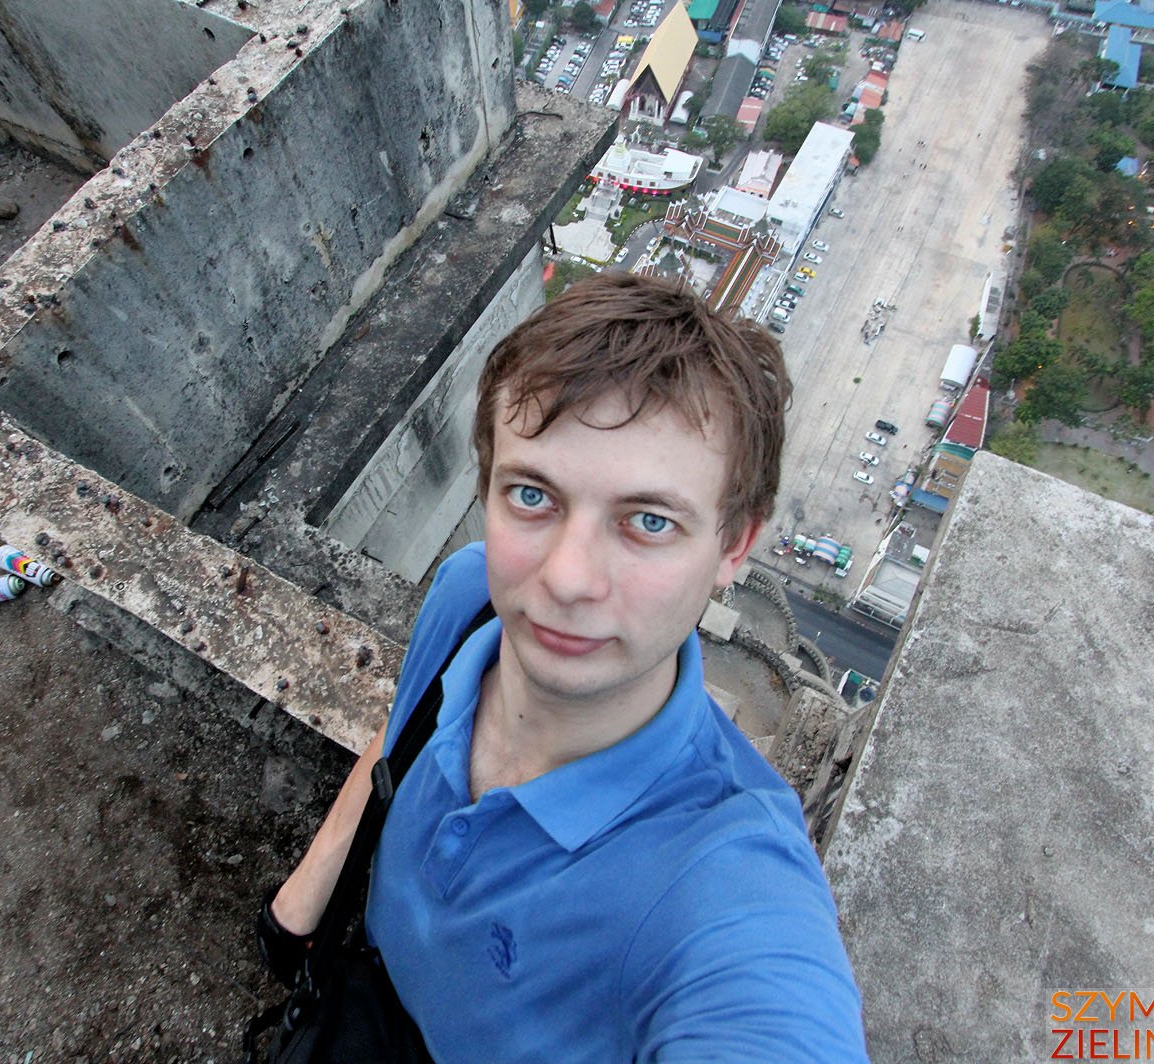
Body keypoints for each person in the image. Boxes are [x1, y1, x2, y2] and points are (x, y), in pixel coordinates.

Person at [265, 272, 867, 1062]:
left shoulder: (723, 880)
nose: (565, 579)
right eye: (532, 496)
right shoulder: (468, 598)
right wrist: (296, 917)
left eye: (649, 521)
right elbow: (397, 742)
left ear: (733, 547)